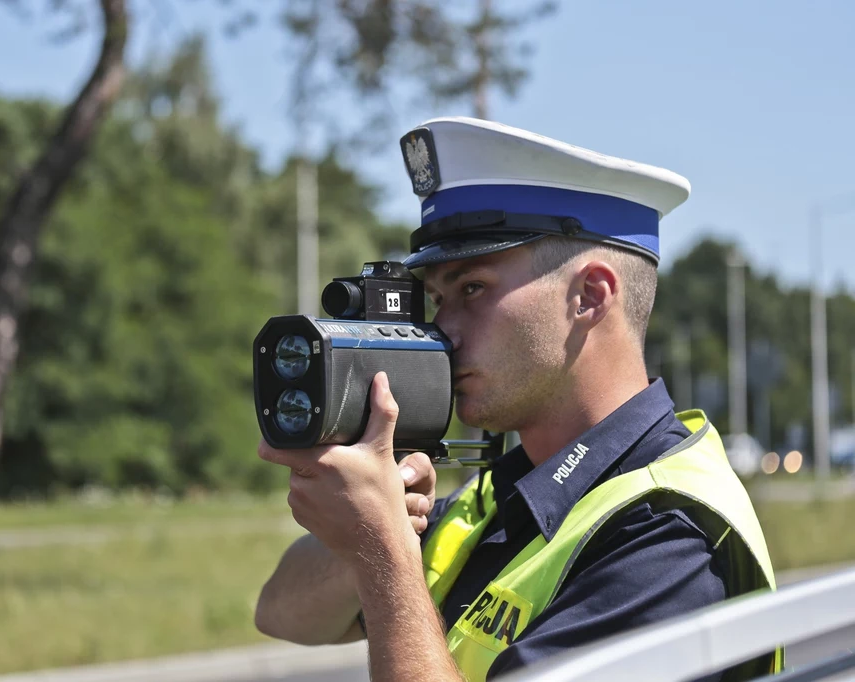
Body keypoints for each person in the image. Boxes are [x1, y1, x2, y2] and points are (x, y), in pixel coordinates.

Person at [254, 117, 782, 682]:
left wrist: (383, 550)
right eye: (436, 298)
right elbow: (282, 613)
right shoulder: (497, 495)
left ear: (590, 296)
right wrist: (369, 529)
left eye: (472, 289)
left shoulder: (666, 541)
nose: (444, 330)